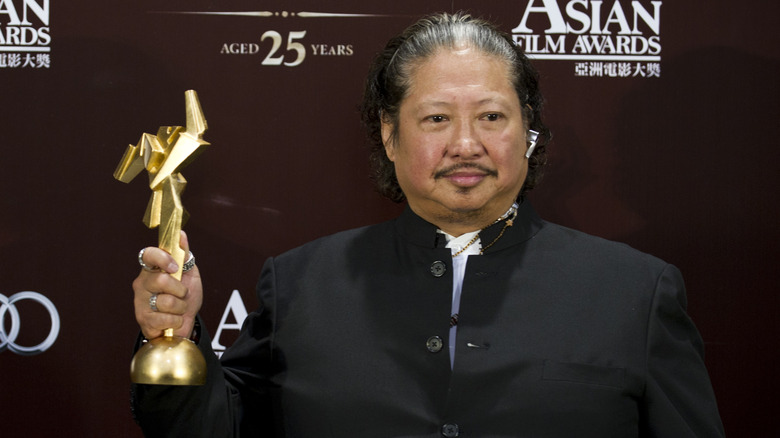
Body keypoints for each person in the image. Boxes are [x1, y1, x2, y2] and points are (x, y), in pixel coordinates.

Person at [130, 12, 725, 438]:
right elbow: (214, 427)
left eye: (492, 116)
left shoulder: (636, 292)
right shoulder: (300, 284)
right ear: (390, 136)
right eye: (436, 118)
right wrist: (175, 344)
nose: (466, 144)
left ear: (529, 133)